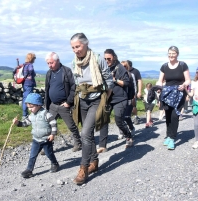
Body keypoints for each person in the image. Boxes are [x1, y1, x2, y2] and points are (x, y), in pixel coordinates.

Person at [70, 33, 114, 185]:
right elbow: (76, 81)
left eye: (78, 46)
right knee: (87, 134)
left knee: (85, 133)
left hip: (97, 100)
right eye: (73, 48)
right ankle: (94, 162)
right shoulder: (74, 61)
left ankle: (84, 168)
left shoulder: (98, 59)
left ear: (86, 44)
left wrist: (105, 99)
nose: (76, 50)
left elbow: (109, 80)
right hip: (82, 100)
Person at [12, 93, 59, 178]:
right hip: (36, 140)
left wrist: (53, 134)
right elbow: (25, 123)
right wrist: (18, 123)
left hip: (46, 139)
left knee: (49, 154)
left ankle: (55, 163)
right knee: (32, 155)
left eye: (31, 107)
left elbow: (54, 123)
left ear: (39, 105)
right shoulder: (31, 116)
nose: (30, 109)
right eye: (28, 107)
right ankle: (29, 170)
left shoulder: (46, 114)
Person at [44, 52, 82, 152]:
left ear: (57, 61)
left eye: (51, 63)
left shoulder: (66, 71)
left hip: (64, 105)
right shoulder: (49, 73)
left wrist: (69, 102)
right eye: (48, 63)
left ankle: (78, 143)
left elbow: (74, 87)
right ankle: (47, 145)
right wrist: (46, 104)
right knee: (48, 126)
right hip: (52, 105)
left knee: (71, 126)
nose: (49, 65)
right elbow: (47, 89)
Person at [97, 49, 133, 153]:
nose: (107, 60)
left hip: (120, 98)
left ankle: (128, 136)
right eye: (105, 59)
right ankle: (102, 145)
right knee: (104, 120)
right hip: (107, 98)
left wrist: (114, 80)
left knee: (118, 120)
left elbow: (126, 83)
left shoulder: (120, 68)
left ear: (114, 58)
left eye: (109, 59)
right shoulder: (103, 67)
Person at [156, 46, 191, 150]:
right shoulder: (164, 66)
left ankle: (172, 138)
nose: (171, 55)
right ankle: (168, 134)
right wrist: (159, 87)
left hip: (179, 93)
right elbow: (160, 80)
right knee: (168, 115)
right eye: (169, 53)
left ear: (177, 54)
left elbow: (188, 80)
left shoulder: (182, 65)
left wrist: (184, 85)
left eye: (173, 53)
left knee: (175, 115)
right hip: (167, 93)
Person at [13, 53, 37, 120]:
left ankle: (26, 114)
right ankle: (25, 115)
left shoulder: (23, 65)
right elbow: (31, 70)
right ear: (31, 58)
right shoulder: (30, 65)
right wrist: (30, 75)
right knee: (27, 99)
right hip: (29, 84)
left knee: (25, 98)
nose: (34, 60)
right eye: (34, 58)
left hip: (24, 84)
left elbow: (14, 70)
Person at [117, 60, 137, 139]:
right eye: (121, 66)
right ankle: (121, 132)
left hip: (129, 97)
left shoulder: (131, 75)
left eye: (125, 66)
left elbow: (134, 86)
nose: (123, 68)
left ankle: (131, 128)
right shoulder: (117, 75)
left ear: (127, 67)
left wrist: (134, 97)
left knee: (126, 116)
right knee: (119, 116)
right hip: (120, 98)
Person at [127, 60, 143, 125]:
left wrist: (139, 91)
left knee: (133, 105)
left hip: (133, 91)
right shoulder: (123, 71)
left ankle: (135, 117)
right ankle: (127, 118)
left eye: (126, 66)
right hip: (125, 91)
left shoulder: (135, 71)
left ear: (129, 65)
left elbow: (139, 81)